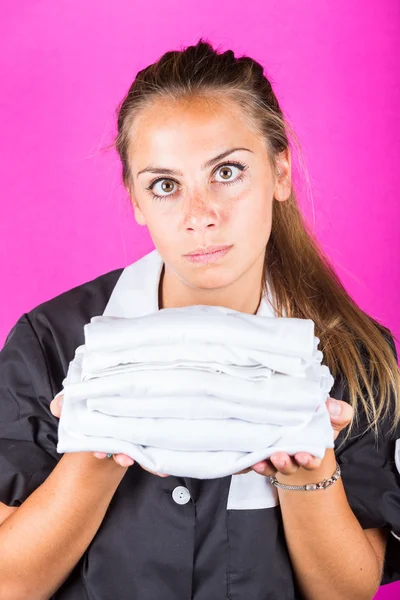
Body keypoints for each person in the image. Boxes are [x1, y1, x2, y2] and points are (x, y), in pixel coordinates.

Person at [0, 38, 399, 600]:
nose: (200, 216)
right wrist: (98, 443)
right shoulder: (51, 343)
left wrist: (311, 467)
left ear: (280, 171)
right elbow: (9, 584)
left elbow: (346, 592)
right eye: (166, 185)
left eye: (228, 172)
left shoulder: (354, 356)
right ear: (137, 201)